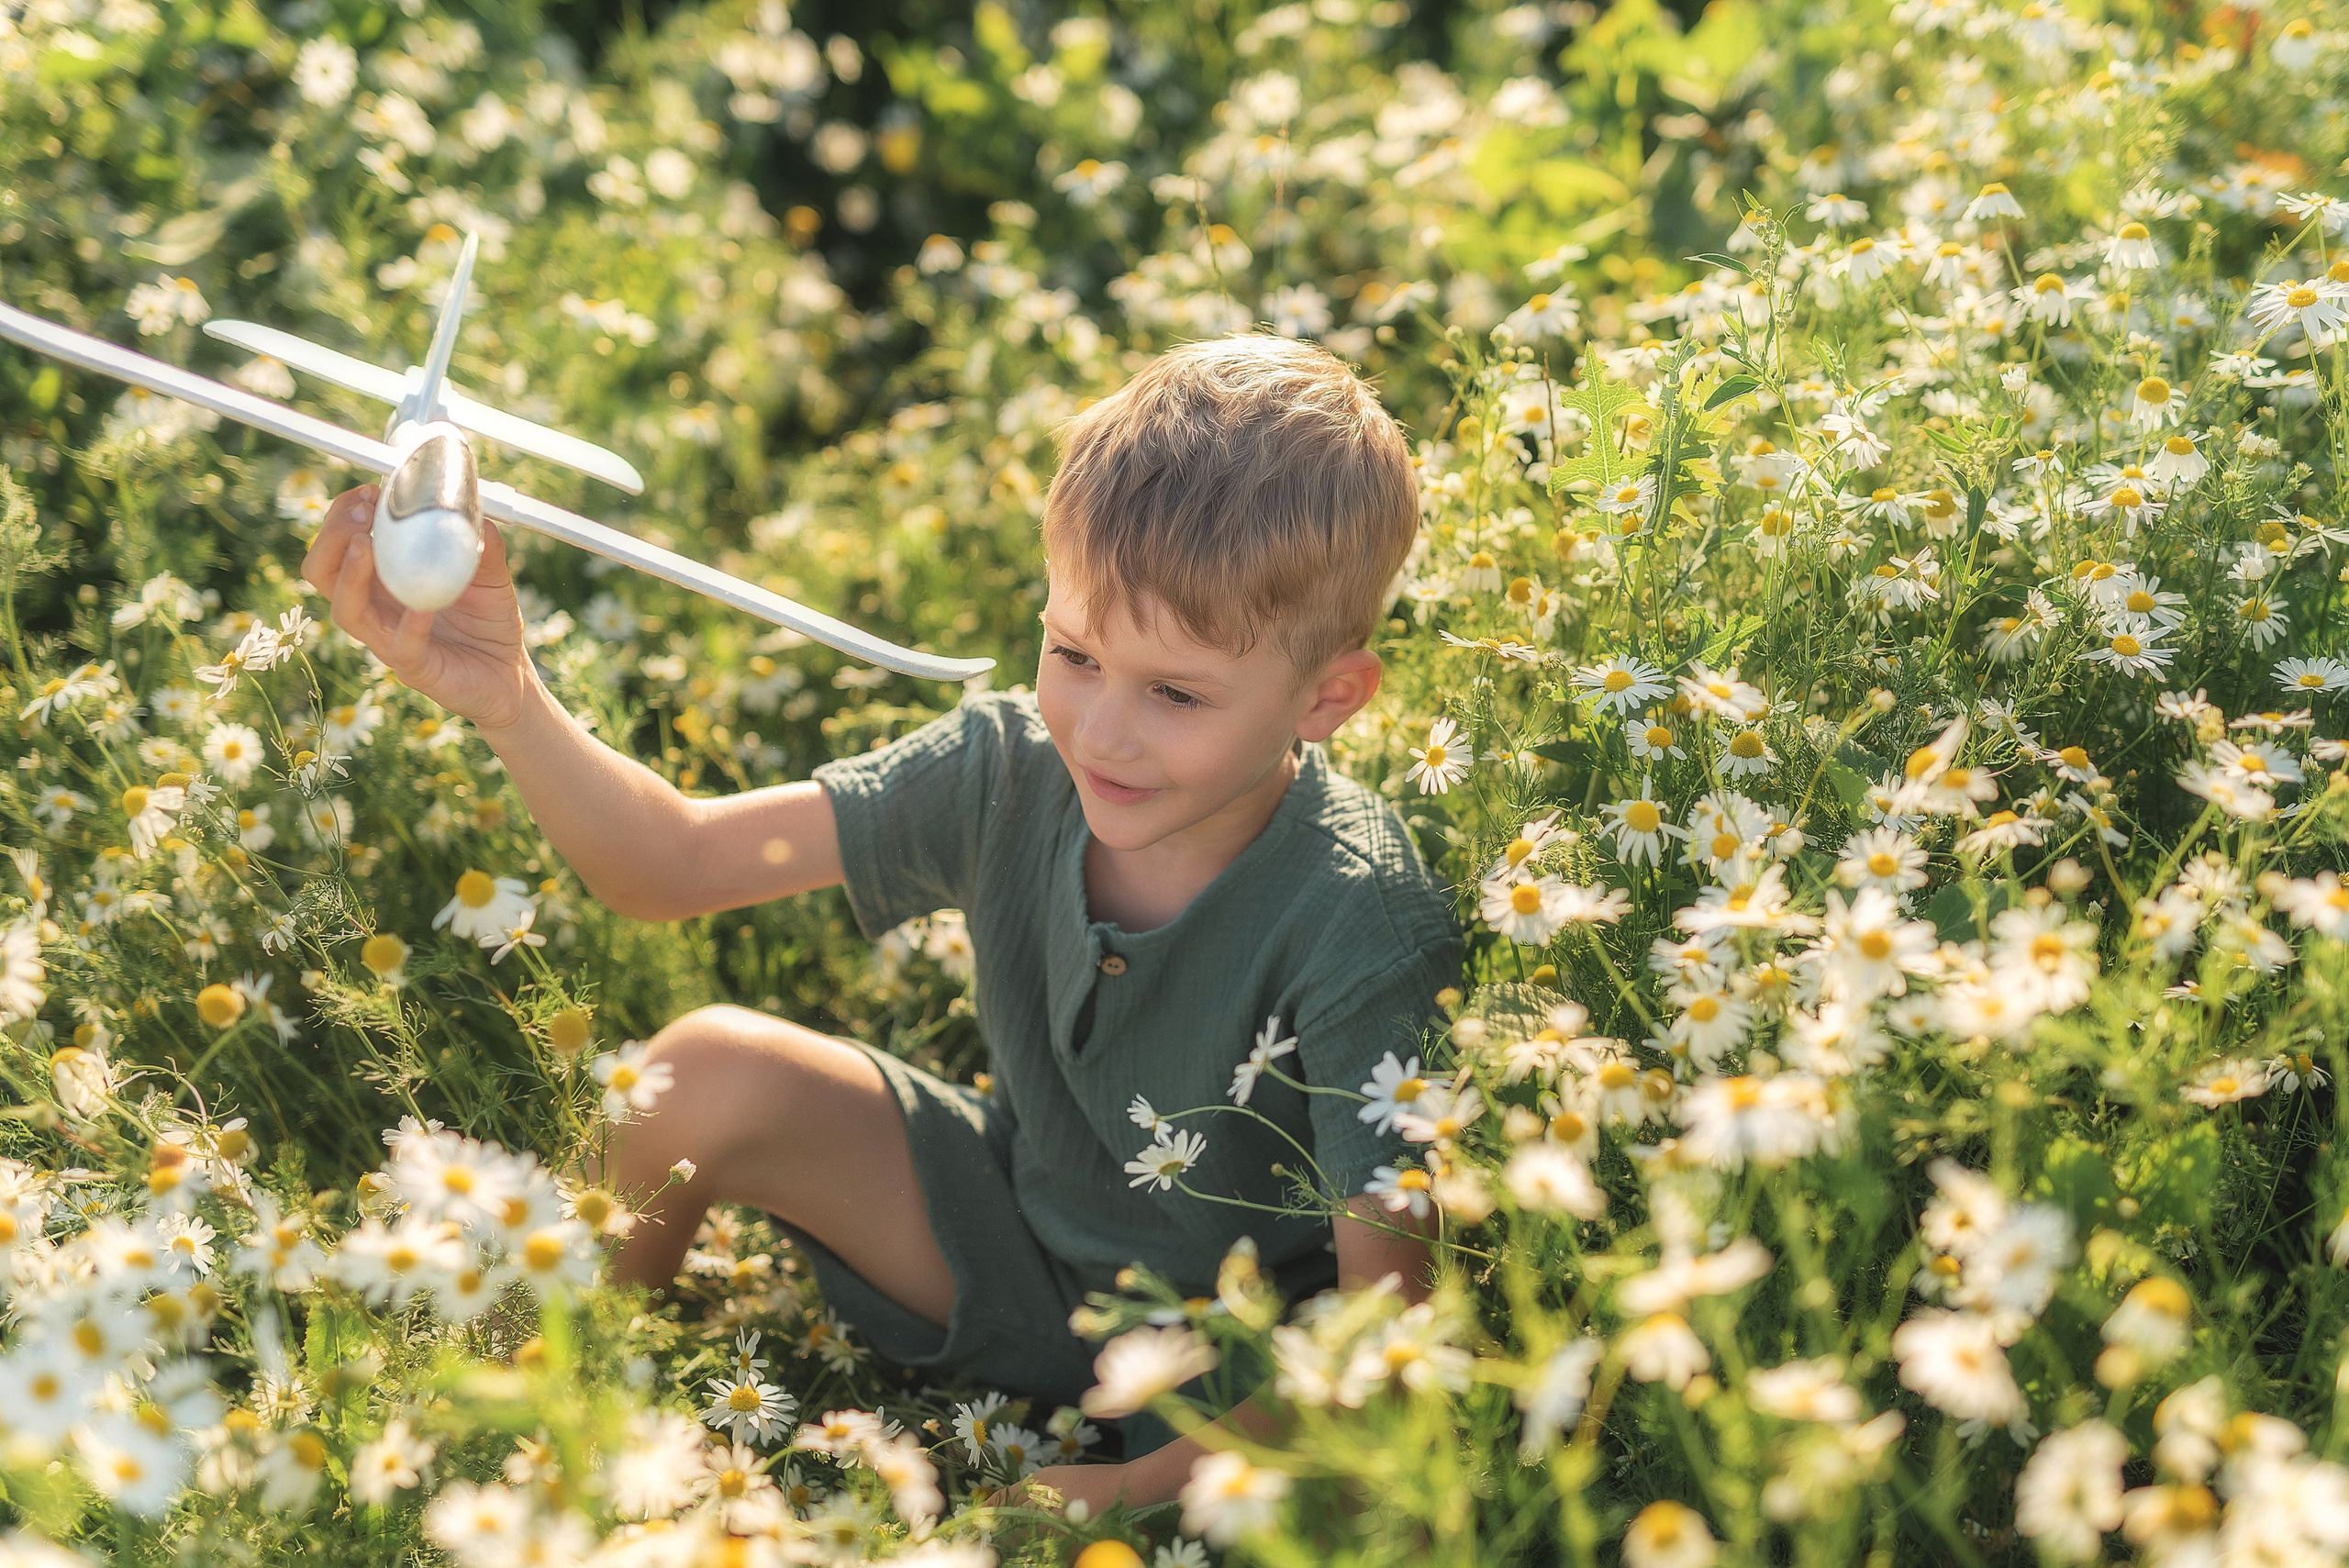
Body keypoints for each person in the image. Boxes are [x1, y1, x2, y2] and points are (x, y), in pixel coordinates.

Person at [301, 332, 1466, 1515]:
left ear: (1327, 699)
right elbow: (671, 863)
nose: (1103, 733)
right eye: (1073, 652)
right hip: (1006, 1232)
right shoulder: (1007, 768)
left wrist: (1089, 1505)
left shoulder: (1363, 916)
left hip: (1228, 1373)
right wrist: (506, 697)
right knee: (696, 1073)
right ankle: (530, 1424)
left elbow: (1382, 1351)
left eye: (1175, 693)